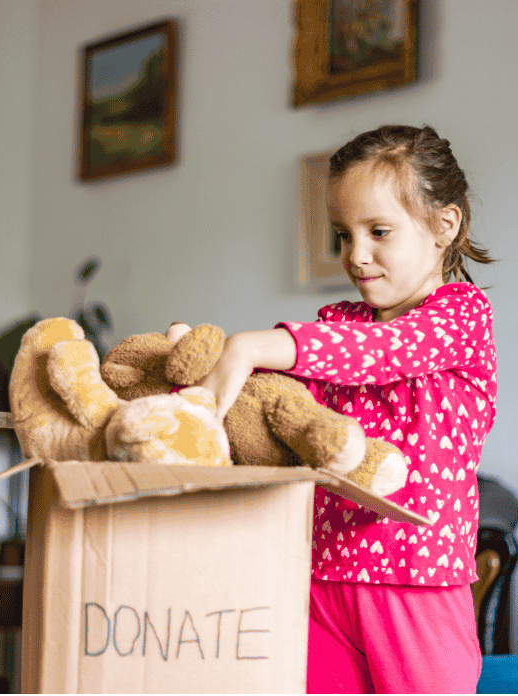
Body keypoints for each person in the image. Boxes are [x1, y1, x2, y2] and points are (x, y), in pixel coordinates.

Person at [198, 125, 496, 693]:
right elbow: (285, 411)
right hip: (319, 577)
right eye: (342, 234)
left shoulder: (461, 315)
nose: (356, 255)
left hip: (416, 582)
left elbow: (377, 355)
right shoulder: (338, 323)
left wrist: (251, 345)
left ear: (444, 225)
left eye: (379, 231)